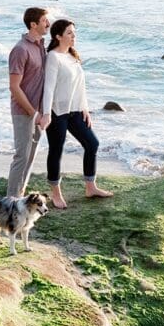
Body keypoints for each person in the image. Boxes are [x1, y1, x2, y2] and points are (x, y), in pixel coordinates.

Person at [38, 19, 113, 209]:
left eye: (74, 32)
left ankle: (90, 187)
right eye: (69, 33)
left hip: (75, 111)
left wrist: (85, 108)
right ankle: (55, 194)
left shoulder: (72, 56)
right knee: (57, 150)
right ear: (58, 36)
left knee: (92, 143)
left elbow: (80, 87)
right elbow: (48, 88)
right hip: (57, 112)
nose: (73, 36)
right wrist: (46, 113)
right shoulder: (53, 57)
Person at [6, 7, 50, 197]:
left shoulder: (41, 46)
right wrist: (34, 113)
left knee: (31, 155)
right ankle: (11, 201)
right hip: (24, 111)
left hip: (38, 111)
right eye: (44, 21)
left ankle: (20, 194)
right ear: (33, 24)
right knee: (21, 156)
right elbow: (14, 87)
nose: (48, 24)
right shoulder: (20, 49)